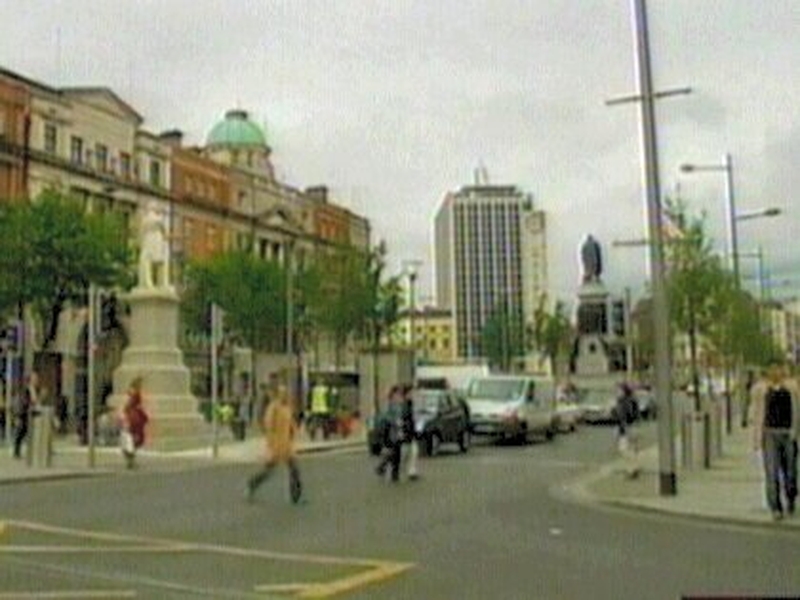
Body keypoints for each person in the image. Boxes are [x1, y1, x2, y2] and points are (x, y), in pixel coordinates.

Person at [749, 362, 800, 521]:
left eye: (779, 369)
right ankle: (775, 506)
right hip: (769, 434)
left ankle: (790, 497)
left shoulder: (792, 387)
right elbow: (755, 411)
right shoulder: (761, 389)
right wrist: (756, 437)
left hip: (788, 433)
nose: (776, 372)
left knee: (790, 471)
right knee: (771, 471)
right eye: (772, 369)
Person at [245, 384, 303, 504]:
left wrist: (294, 434)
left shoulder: (286, 407)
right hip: (277, 445)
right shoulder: (274, 408)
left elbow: (291, 424)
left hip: (286, 445)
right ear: (278, 395)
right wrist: (271, 444)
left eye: (286, 393)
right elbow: (269, 426)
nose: (285, 395)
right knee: (269, 470)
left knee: (294, 470)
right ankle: (252, 484)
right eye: (283, 393)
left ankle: (296, 496)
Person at [119, 376, 150, 469]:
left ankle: (130, 460)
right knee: (134, 438)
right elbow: (131, 404)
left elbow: (128, 405)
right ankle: (130, 460)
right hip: (134, 417)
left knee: (131, 438)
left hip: (132, 416)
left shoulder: (131, 393)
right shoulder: (135, 393)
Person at [375, 385, 404, 483]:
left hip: (397, 432)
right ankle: (384, 468)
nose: (399, 396)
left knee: (396, 453)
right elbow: (385, 417)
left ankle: (392, 472)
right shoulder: (390, 405)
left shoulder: (399, 405)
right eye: (397, 394)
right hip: (392, 432)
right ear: (393, 395)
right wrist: (395, 422)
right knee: (393, 453)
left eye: (399, 394)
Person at [614, 382, 640, 479]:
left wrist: (625, 426)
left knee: (625, 449)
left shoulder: (626, 402)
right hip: (627, 428)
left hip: (627, 428)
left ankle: (631, 470)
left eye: (619, 390)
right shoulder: (623, 401)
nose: (617, 392)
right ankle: (632, 468)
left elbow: (627, 416)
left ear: (624, 391)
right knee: (630, 449)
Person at [12, 373, 40, 459]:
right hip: (24, 414)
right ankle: (16, 452)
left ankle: (32, 452)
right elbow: (25, 401)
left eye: (37, 379)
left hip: (31, 414)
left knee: (31, 434)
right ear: (30, 380)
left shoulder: (36, 389)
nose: (37, 380)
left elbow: (35, 401)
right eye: (35, 379)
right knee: (21, 433)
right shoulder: (26, 389)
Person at [401, 384, 420, 481]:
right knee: (406, 452)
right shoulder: (405, 404)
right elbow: (406, 419)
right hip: (407, 432)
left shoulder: (409, 403)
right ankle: (405, 470)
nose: (413, 394)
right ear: (407, 393)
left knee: (413, 451)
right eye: (411, 392)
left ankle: (411, 471)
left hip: (409, 432)